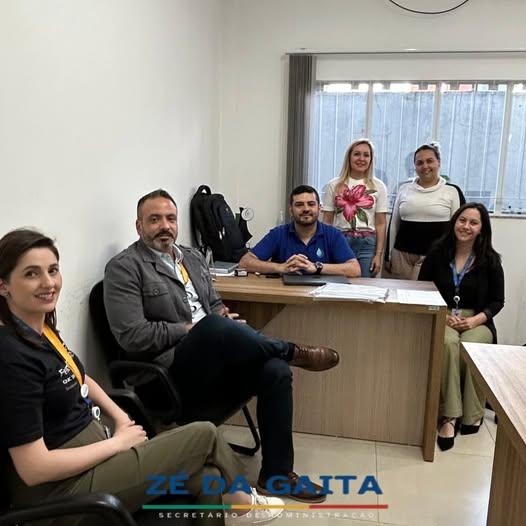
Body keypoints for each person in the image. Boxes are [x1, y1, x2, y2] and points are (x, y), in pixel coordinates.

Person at [0, 228, 284, 526]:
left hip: (92, 461)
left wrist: (120, 417)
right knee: (204, 435)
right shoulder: (11, 357)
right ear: (4, 285)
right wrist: (117, 443)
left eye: (53, 270)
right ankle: (244, 503)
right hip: (63, 493)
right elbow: (34, 469)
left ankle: (239, 503)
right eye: (31, 274)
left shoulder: (40, 329)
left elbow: (80, 377)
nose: (48, 283)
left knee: (207, 477)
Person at [103, 189, 340, 503]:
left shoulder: (191, 257)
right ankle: (292, 350)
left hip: (210, 361)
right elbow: (132, 336)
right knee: (213, 326)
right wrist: (195, 328)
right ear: (139, 226)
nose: (165, 226)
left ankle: (277, 476)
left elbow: (213, 305)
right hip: (166, 375)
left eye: (171, 218)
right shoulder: (124, 268)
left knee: (275, 370)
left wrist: (225, 319)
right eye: (154, 220)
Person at [418, 203, 504, 451]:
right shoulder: (437, 253)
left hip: (477, 319)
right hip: (442, 316)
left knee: (471, 344)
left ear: (482, 229)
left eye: (473, 223)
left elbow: (498, 301)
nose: (466, 226)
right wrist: (442, 315)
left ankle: (473, 412)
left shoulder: (490, 260)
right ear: (454, 222)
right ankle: (450, 415)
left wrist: (475, 320)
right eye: (462, 220)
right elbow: (421, 289)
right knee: (448, 343)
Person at [240, 185, 360, 278]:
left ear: (319, 208)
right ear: (291, 210)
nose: (306, 209)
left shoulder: (333, 235)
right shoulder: (278, 234)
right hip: (285, 295)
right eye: (299, 205)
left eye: (311, 204)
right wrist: (281, 267)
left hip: (322, 298)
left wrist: (316, 267)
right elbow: (245, 262)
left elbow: (354, 269)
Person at [385, 142, 465, 280]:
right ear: (415, 166)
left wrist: (458, 257)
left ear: (438, 162)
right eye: (420, 162)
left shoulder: (452, 191)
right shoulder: (404, 189)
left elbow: (459, 228)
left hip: (435, 257)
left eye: (430, 161)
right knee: (401, 293)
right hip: (402, 256)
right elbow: (394, 225)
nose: (425, 166)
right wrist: (389, 256)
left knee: (424, 293)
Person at [321, 139, 388, 277]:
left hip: (367, 244)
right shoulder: (334, 185)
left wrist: (378, 255)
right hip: (340, 241)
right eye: (357, 154)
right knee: (340, 284)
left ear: (371, 159)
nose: (361, 159)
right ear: (349, 157)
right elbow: (327, 221)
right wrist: (325, 248)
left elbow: (381, 223)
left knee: (364, 285)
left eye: (366, 155)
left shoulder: (378, 186)